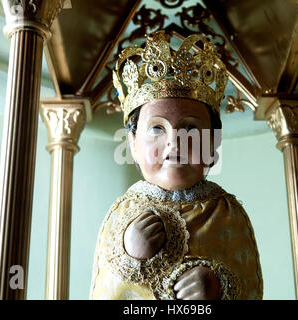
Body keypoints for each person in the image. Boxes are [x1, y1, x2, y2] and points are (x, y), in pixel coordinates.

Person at [89, 31, 263, 300]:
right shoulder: (122, 213)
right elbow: (103, 290)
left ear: (213, 143)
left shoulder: (229, 214)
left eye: (191, 129)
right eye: (157, 128)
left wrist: (219, 288)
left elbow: (250, 285)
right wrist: (129, 255)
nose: (174, 142)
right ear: (133, 143)